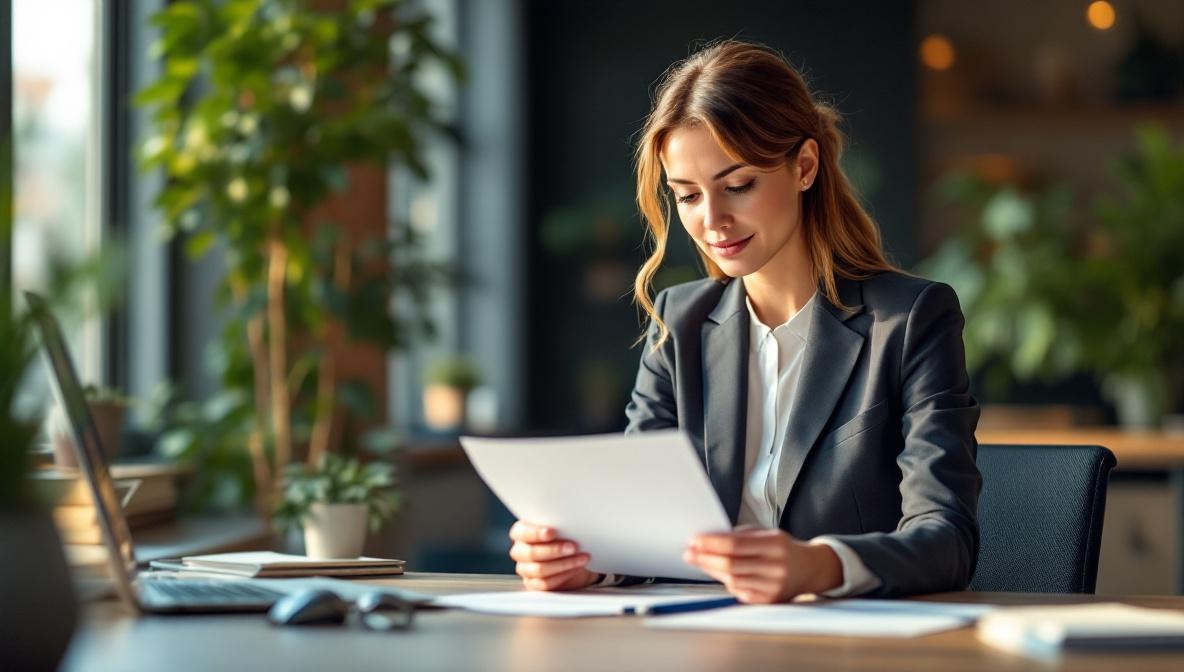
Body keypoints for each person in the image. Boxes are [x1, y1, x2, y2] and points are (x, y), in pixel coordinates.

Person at [508, 40, 981, 603]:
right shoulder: (682, 323)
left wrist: (820, 566)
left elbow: (946, 540)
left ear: (804, 166)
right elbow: (639, 520)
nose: (713, 222)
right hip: (703, 639)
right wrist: (588, 561)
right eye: (686, 196)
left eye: (738, 187)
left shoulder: (908, 321)